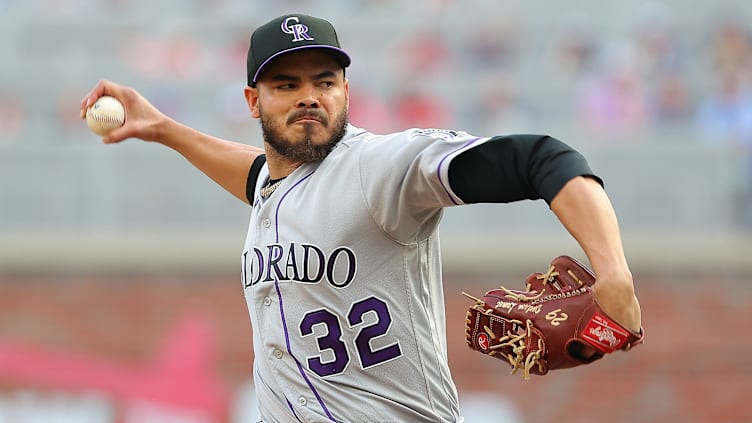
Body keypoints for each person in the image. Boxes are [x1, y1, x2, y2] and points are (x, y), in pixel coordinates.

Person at [79, 13, 642, 423]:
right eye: (286, 85)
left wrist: (613, 271)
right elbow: (259, 177)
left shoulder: (381, 168)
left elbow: (540, 158)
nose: (309, 97)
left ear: (346, 89)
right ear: (253, 102)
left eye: (324, 81)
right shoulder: (278, 189)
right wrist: (166, 131)